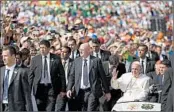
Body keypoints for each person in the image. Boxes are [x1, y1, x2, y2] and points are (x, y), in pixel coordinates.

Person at [66, 43, 111, 111]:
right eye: (79, 49)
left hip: (92, 91)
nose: (80, 51)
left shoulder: (96, 61)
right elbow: (72, 76)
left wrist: (107, 92)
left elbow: (103, 77)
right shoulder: (76, 61)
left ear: (88, 50)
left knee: (90, 109)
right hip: (79, 91)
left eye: (82, 50)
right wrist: (69, 88)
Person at [29, 40, 66, 111]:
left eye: (44, 48)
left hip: (51, 88)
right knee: (40, 108)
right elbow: (31, 76)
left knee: (50, 108)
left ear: (49, 48)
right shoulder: (35, 59)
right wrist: (29, 90)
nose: (42, 50)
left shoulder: (56, 58)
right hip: (39, 88)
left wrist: (63, 89)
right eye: (40, 48)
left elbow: (62, 75)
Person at [0, 46, 33, 111]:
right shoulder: (1, 71)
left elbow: (26, 95)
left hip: (16, 108)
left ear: (13, 56)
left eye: (6, 56)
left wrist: (29, 109)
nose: (3, 58)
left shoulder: (22, 72)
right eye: (2, 56)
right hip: (2, 107)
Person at [56, 46, 76, 111]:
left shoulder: (74, 63)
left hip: (71, 90)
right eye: (61, 51)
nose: (62, 53)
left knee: (72, 109)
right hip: (60, 90)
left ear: (69, 53)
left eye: (64, 52)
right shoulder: (56, 62)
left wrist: (71, 89)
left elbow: (75, 77)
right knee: (59, 108)